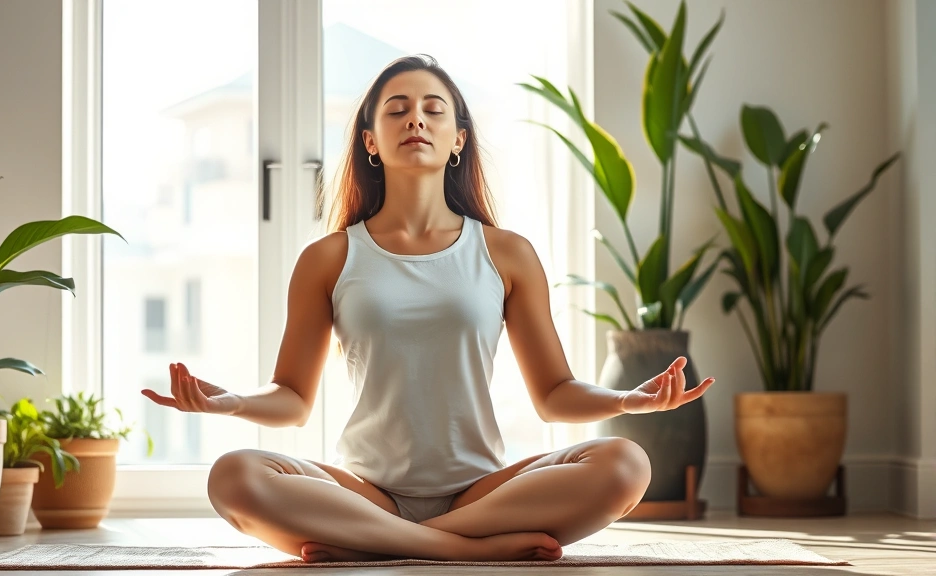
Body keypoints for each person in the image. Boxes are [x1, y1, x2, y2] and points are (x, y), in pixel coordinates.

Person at [141, 54, 714, 564]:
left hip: (484, 493)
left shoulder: (505, 252)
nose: (416, 119)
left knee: (627, 464)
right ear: (370, 140)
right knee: (234, 476)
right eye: (397, 109)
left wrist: (628, 399)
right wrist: (232, 402)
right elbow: (291, 400)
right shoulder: (329, 257)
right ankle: (458, 550)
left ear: (457, 138)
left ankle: (375, 543)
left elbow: (554, 393)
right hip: (365, 490)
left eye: (433, 109)